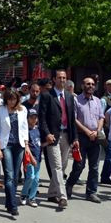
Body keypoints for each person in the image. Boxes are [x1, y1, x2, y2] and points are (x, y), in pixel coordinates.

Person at [38, 69, 78, 209]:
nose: (62, 80)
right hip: (52, 136)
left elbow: (72, 119)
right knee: (57, 166)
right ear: (54, 79)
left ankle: (51, 194)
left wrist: (75, 138)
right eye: (59, 78)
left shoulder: (69, 96)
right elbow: (41, 118)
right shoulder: (46, 95)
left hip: (67, 135)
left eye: (64, 78)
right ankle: (62, 196)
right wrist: (47, 133)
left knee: (63, 165)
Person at [67, 77, 104, 203]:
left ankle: (91, 192)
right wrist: (87, 132)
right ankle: (69, 185)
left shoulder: (98, 101)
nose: (91, 86)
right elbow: (74, 119)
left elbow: (101, 117)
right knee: (79, 165)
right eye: (88, 84)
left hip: (95, 137)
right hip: (82, 137)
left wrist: (97, 131)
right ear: (82, 86)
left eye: (93, 84)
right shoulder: (76, 100)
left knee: (94, 167)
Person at [0, 89, 29, 216]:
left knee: (15, 177)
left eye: (14, 99)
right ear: (6, 99)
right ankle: (13, 205)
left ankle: (9, 202)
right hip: (6, 145)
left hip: (19, 145)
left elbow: (25, 129)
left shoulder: (23, 110)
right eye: (9, 99)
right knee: (9, 175)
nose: (12, 102)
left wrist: (27, 146)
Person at [20, 109, 46, 207]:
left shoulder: (38, 129)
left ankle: (32, 198)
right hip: (30, 158)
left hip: (38, 158)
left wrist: (48, 142)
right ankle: (23, 195)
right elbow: (27, 147)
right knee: (30, 177)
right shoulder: (26, 130)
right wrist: (32, 158)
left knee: (36, 179)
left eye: (35, 117)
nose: (34, 119)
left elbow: (40, 144)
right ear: (27, 118)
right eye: (31, 117)